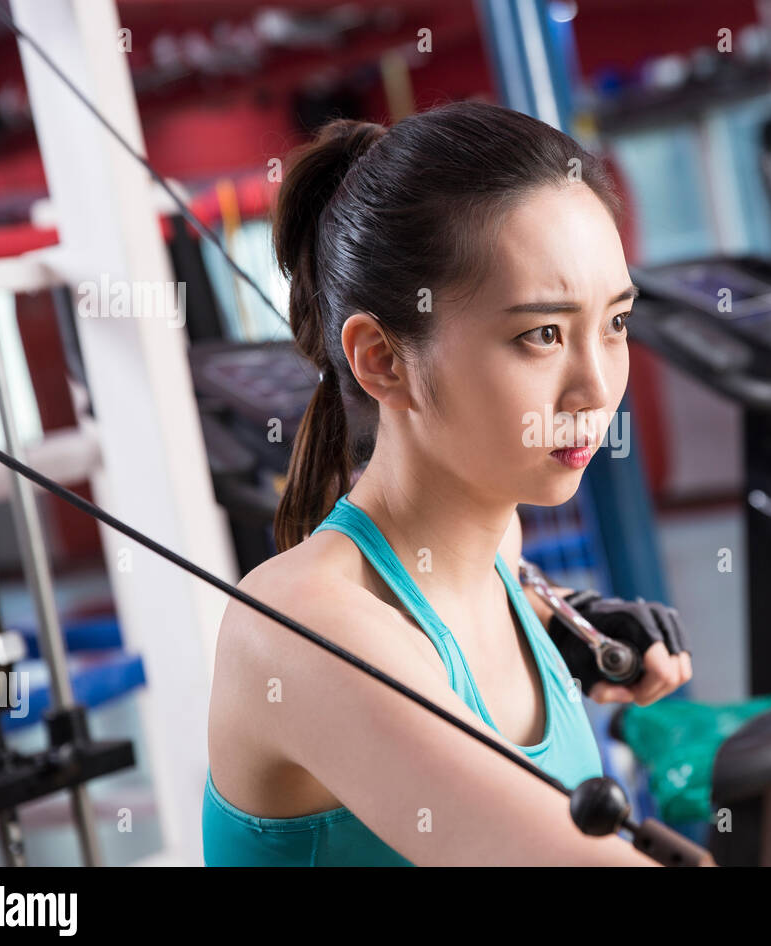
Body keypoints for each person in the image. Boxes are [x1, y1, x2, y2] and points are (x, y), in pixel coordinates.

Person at [203, 100, 700, 866]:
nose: (597, 390)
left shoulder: (502, 541)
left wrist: (584, 633)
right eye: (542, 334)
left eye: (616, 323)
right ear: (383, 361)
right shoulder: (303, 627)